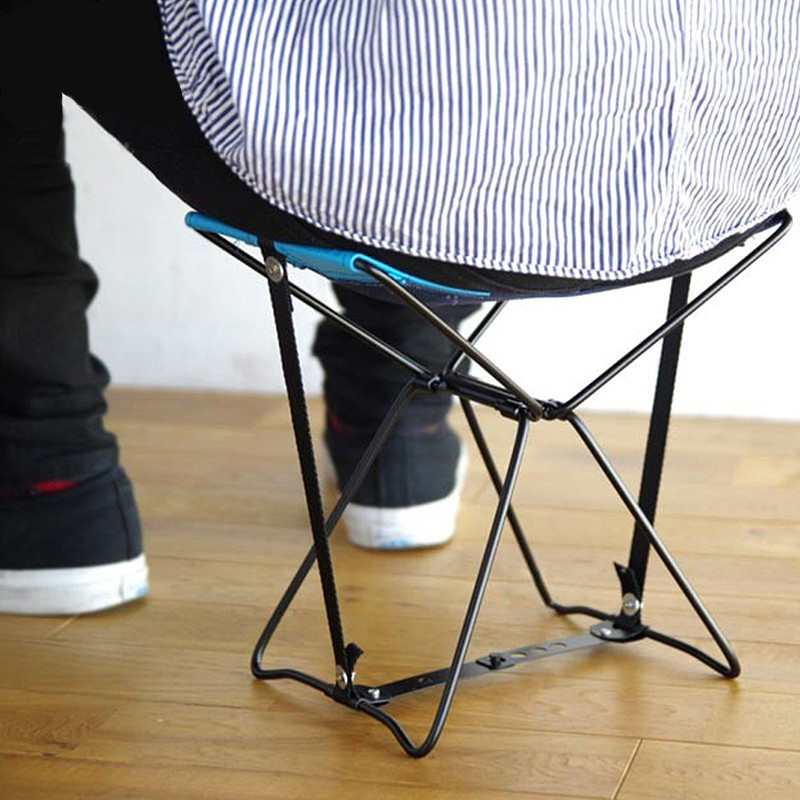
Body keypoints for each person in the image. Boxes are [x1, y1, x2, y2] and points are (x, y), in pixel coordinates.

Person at [0, 0, 477, 615]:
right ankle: (399, 414)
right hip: (559, 177)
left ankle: (46, 477)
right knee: (446, 41)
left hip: (215, 87)